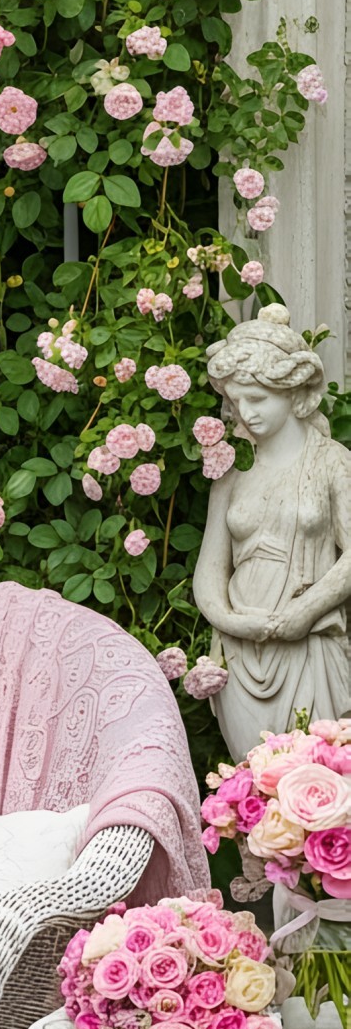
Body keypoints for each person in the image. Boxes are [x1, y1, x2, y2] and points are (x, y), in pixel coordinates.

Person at [195, 303, 351, 755]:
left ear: (294, 393)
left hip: (310, 645)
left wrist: (302, 614)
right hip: (241, 647)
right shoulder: (232, 468)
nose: (246, 413)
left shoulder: (332, 463)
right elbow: (210, 571)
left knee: (316, 778)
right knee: (249, 783)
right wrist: (234, 622)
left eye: (258, 399)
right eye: (236, 400)